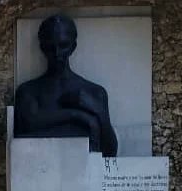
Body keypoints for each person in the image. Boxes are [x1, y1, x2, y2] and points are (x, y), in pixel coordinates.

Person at [13, 13, 118, 157]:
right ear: (43, 48)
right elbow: (24, 135)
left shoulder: (94, 92)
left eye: (63, 46)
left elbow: (109, 153)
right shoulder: (28, 91)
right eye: (51, 47)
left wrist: (99, 113)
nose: (57, 53)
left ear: (73, 47)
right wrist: (78, 116)